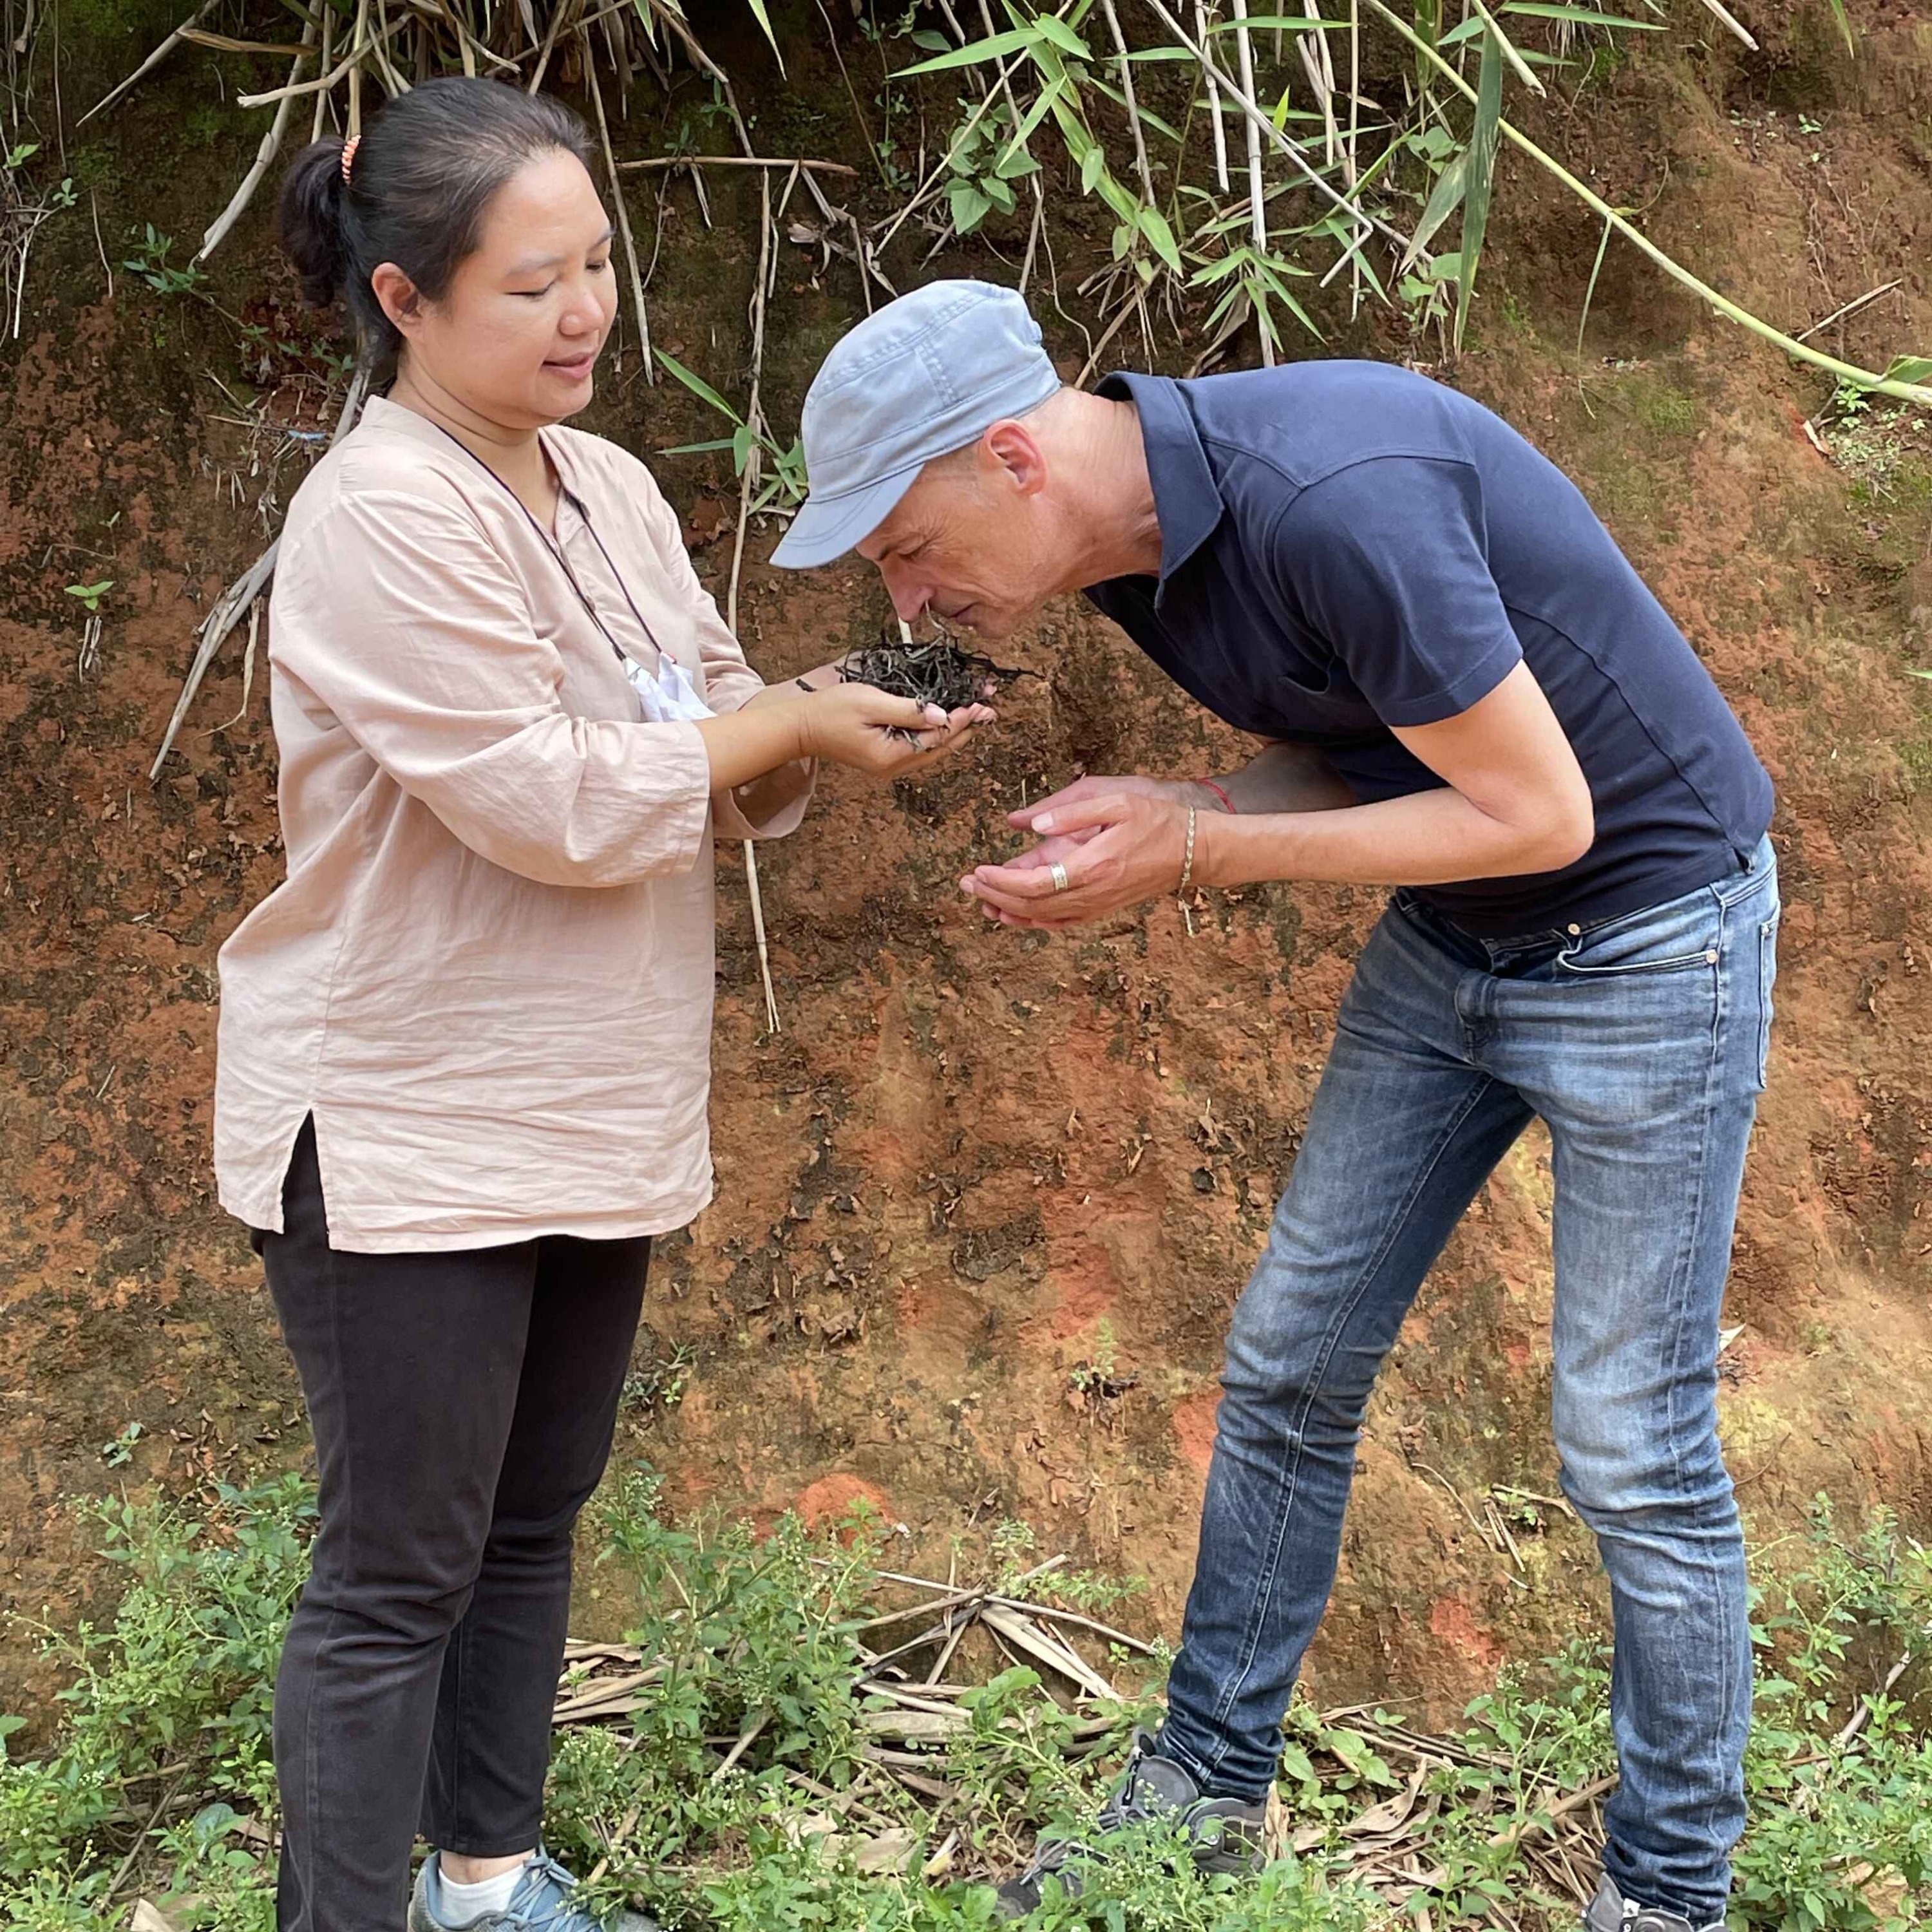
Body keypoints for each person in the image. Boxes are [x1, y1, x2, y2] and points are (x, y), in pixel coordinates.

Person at [773, 280, 1777, 1932]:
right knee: (1290, 1358)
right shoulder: (1138, 562)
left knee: (1630, 1444)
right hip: (1460, 939)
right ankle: (1204, 1795)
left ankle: (1670, 1897)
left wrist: (1201, 847)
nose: (912, 591)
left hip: (1654, 942)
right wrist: (1186, 801)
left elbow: (1538, 809)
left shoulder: (1331, 494)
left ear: (1013, 455)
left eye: (901, 546)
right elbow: (1388, 747)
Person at [218, 82, 990, 1932]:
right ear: (404, 301)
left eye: (602, 271)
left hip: (588, 1097)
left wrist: (814, 717)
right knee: (399, 1571)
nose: (585, 317)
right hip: (407, 1116)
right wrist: (777, 725)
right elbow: (555, 799)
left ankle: (487, 1886)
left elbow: (709, 713)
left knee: (529, 1522)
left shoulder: (618, 488)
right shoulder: (376, 515)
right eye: (533, 286)